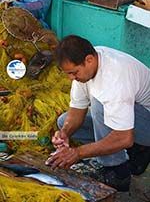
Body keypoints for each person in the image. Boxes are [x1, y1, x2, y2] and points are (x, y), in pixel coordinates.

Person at [45, 35, 150, 192]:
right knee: (64, 121)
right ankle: (138, 151)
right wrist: (65, 133)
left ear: (89, 60)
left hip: (145, 123)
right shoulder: (88, 66)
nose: (71, 78)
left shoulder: (114, 78)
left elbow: (124, 138)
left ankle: (117, 172)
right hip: (130, 121)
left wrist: (77, 153)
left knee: (99, 104)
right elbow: (76, 111)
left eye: (74, 73)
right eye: (68, 74)